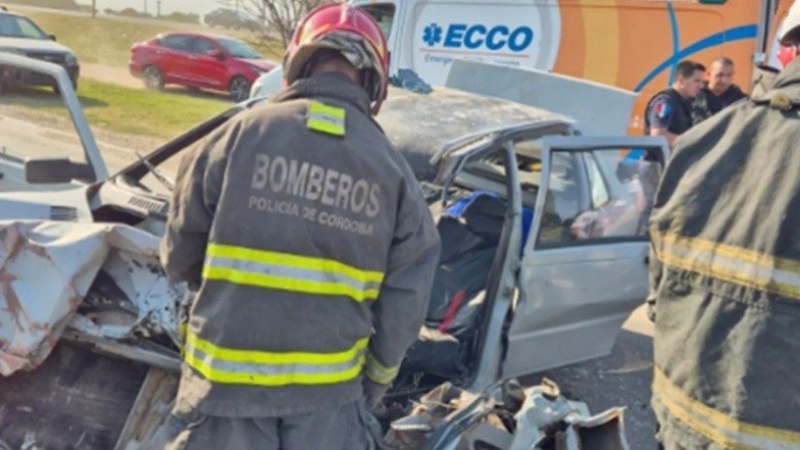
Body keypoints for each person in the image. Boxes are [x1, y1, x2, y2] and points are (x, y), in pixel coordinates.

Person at [148, 3, 441, 449]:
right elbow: (403, 310)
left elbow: (179, 258)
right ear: (374, 81)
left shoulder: (235, 136)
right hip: (326, 410)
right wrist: (371, 389)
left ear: (297, 62)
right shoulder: (395, 175)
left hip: (220, 396)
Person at [647, 2, 800, 448]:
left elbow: (659, 296)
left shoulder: (701, 144)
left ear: (784, 54)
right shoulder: (679, 113)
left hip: (681, 426)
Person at [643, 60, 705, 147]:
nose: (701, 86)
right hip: (660, 160)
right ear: (681, 80)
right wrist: (691, 143)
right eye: (696, 81)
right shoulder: (664, 102)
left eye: (702, 82)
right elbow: (658, 135)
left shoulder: (689, 103)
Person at [691, 57, 748, 124]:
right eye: (720, 75)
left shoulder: (740, 99)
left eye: (729, 75)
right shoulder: (694, 95)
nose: (724, 80)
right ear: (708, 74)